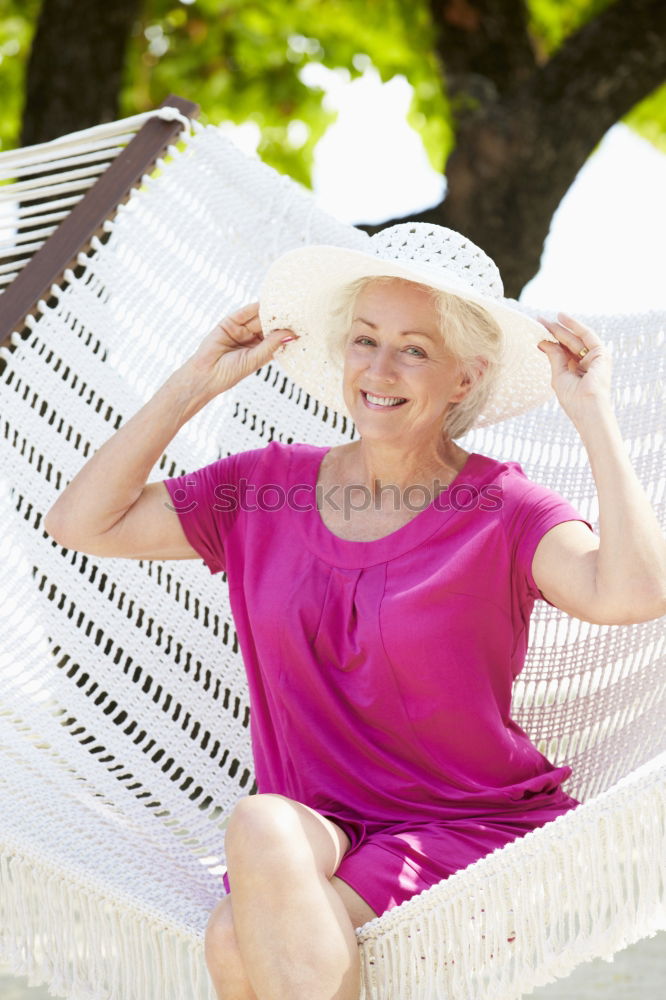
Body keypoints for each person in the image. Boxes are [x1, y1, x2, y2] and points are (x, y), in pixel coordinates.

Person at [43, 223, 666, 1000]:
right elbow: (81, 523)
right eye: (365, 340)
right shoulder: (265, 489)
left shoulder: (501, 508)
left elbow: (634, 592)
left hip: (455, 826)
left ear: (463, 379)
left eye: (414, 349)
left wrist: (594, 413)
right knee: (261, 823)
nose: (379, 368)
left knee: (237, 941)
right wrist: (196, 381)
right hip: (313, 832)